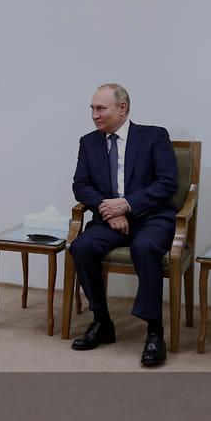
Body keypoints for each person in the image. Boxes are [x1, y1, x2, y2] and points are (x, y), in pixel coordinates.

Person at [69, 83, 177, 366]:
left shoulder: (154, 136)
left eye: (101, 108)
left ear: (122, 108)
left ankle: (154, 332)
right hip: (110, 220)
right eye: (92, 109)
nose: (94, 115)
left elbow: (167, 183)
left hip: (152, 218)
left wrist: (127, 205)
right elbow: (81, 185)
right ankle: (102, 321)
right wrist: (110, 211)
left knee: (144, 247)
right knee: (81, 246)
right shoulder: (88, 142)